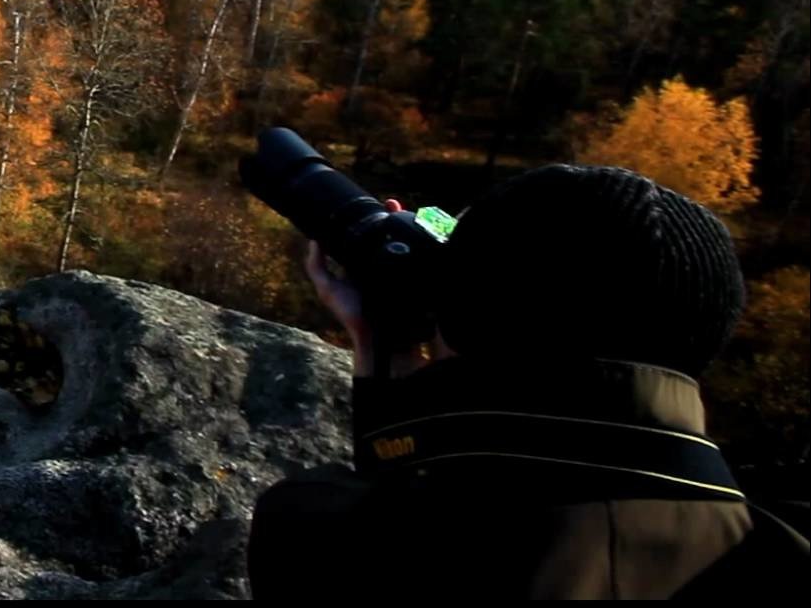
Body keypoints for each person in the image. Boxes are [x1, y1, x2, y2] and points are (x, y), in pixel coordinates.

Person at [247, 164, 808, 599]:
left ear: (466, 317)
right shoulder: (777, 556)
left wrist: (385, 356)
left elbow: (393, 508)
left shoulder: (328, 539)